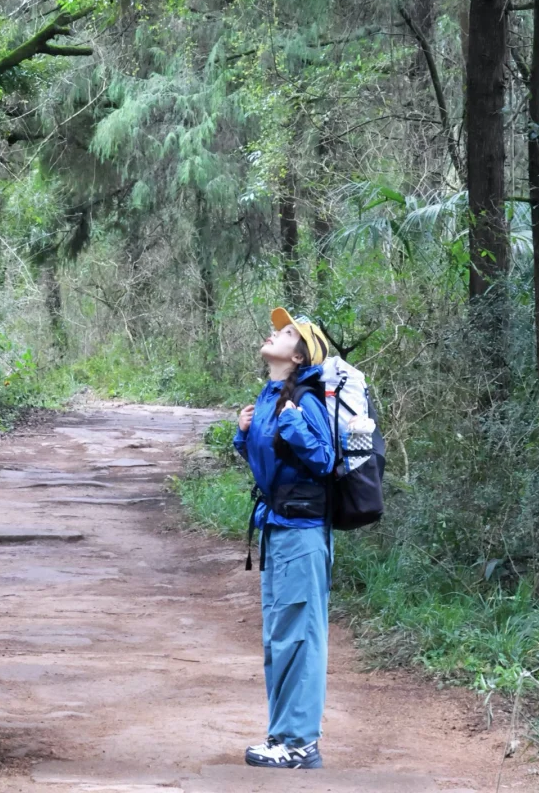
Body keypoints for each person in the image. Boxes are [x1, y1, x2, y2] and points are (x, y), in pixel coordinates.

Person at [235, 306, 335, 770]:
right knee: (279, 639)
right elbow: (270, 465)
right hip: (278, 530)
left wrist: (292, 424)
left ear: (299, 356)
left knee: (300, 638)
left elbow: (323, 460)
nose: (275, 332)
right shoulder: (272, 393)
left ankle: (300, 742)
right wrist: (243, 435)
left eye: (287, 332)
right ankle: (282, 736)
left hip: (302, 534)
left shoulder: (306, 401)